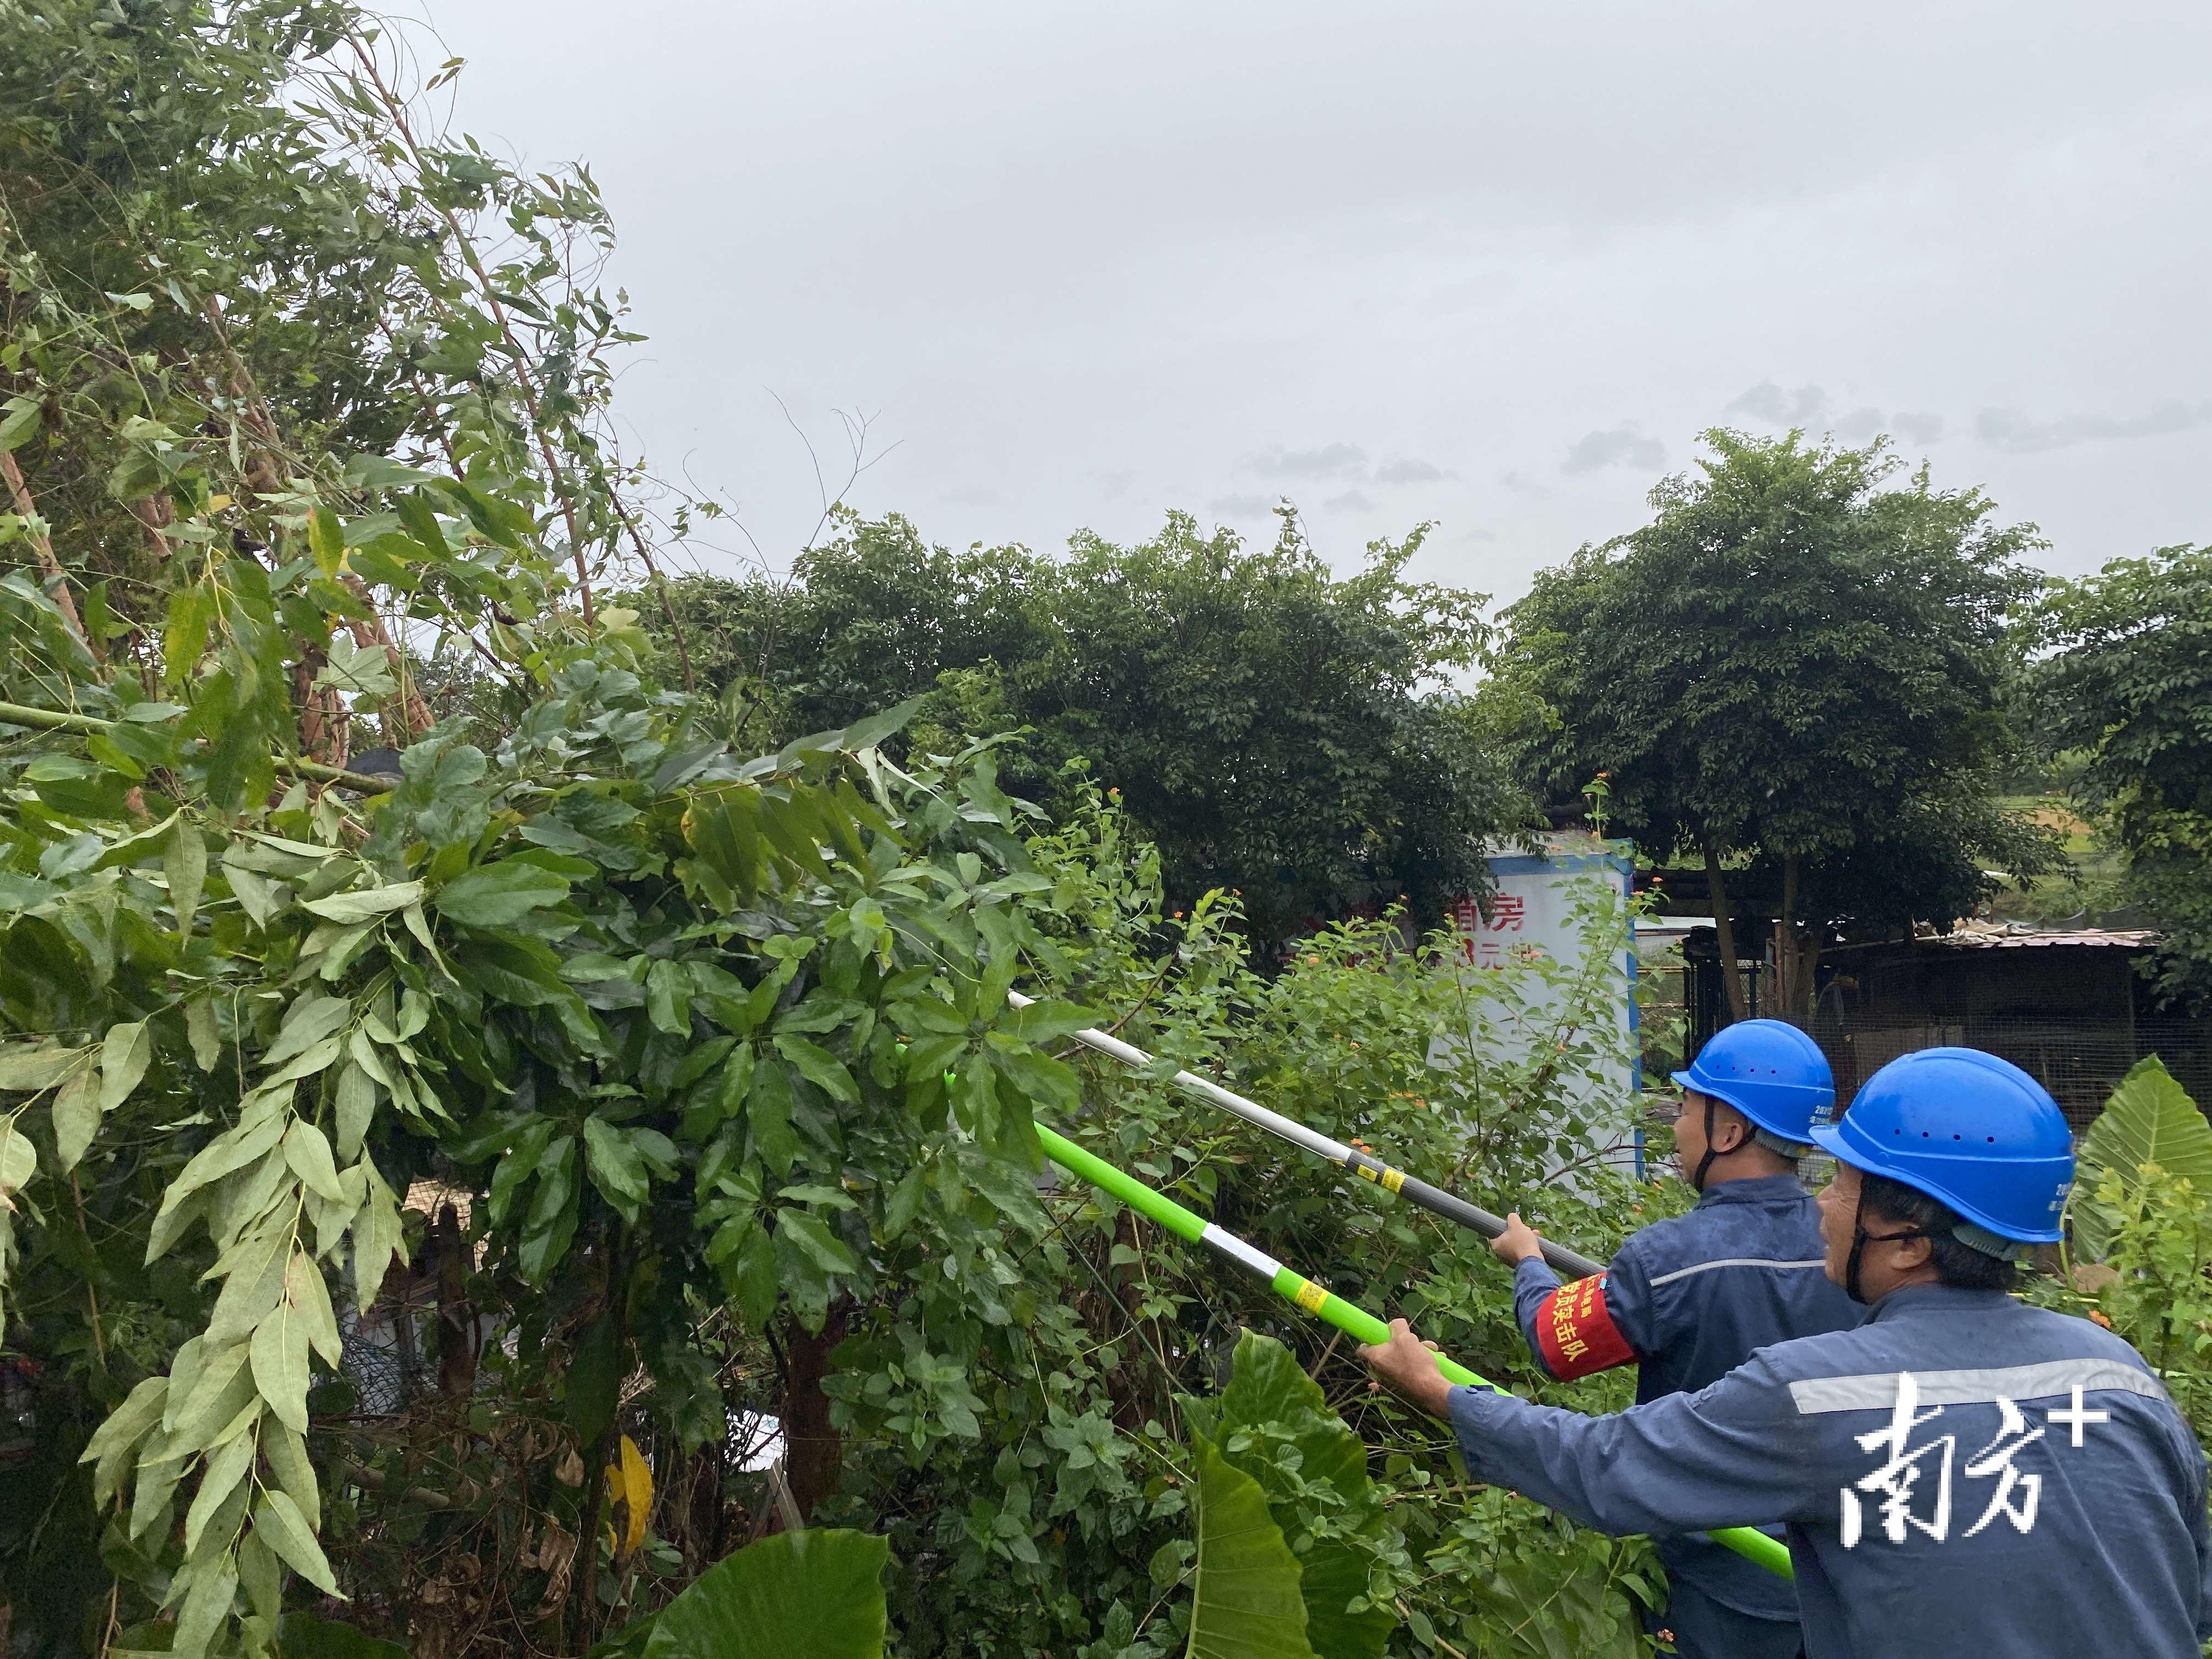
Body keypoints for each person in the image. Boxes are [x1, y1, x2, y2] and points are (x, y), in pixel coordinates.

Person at [1364, 1048, 2212, 1659]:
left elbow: (1600, 1452)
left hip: (1728, 1590)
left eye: (1843, 1184)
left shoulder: (1813, 1388)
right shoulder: (2121, 1378)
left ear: (1911, 1241)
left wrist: (1445, 1391)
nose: (1824, 1207)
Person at [1490, 1018, 1859, 1658]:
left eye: (1687, 1107)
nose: (1677, 1125)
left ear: (1730, 1130)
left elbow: (1555, 1342)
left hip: (1721, 1576)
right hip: (1841, 1574)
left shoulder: (1668, 1260)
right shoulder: (1855, 1251)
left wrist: (1528, 1263)